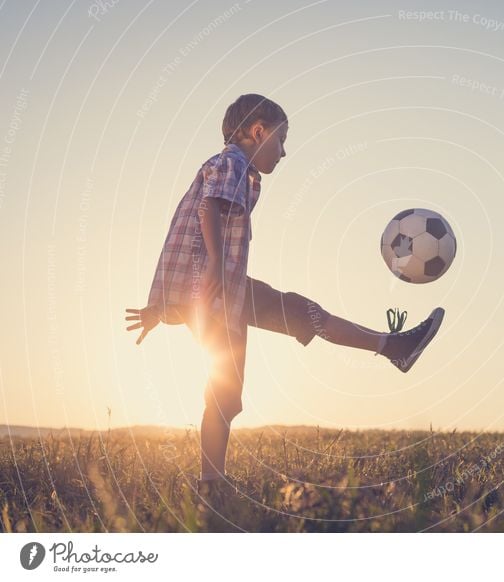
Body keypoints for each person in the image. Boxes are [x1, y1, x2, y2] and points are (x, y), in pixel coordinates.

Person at [124, 94, 444, 492]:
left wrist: (162, 308)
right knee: (224, 393)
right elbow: (209, 208)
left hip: (227, 289)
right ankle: (211, 483)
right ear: (258, 132)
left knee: (300, 313)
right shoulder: (232, 163)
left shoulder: (238, 171)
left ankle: (394, 347)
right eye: (281, 140)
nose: (284, 151)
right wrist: (213, 267)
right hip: (217, 293)